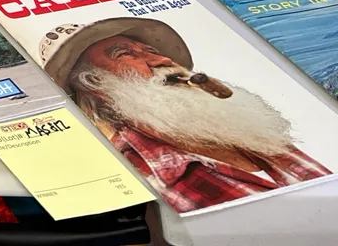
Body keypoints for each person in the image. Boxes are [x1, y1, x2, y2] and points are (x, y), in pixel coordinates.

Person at [37, 19, 330, 212]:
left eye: (150, 49)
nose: (163, 59)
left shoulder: (253, 135)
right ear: (96, 86)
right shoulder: (135, 174)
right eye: (125, 54)